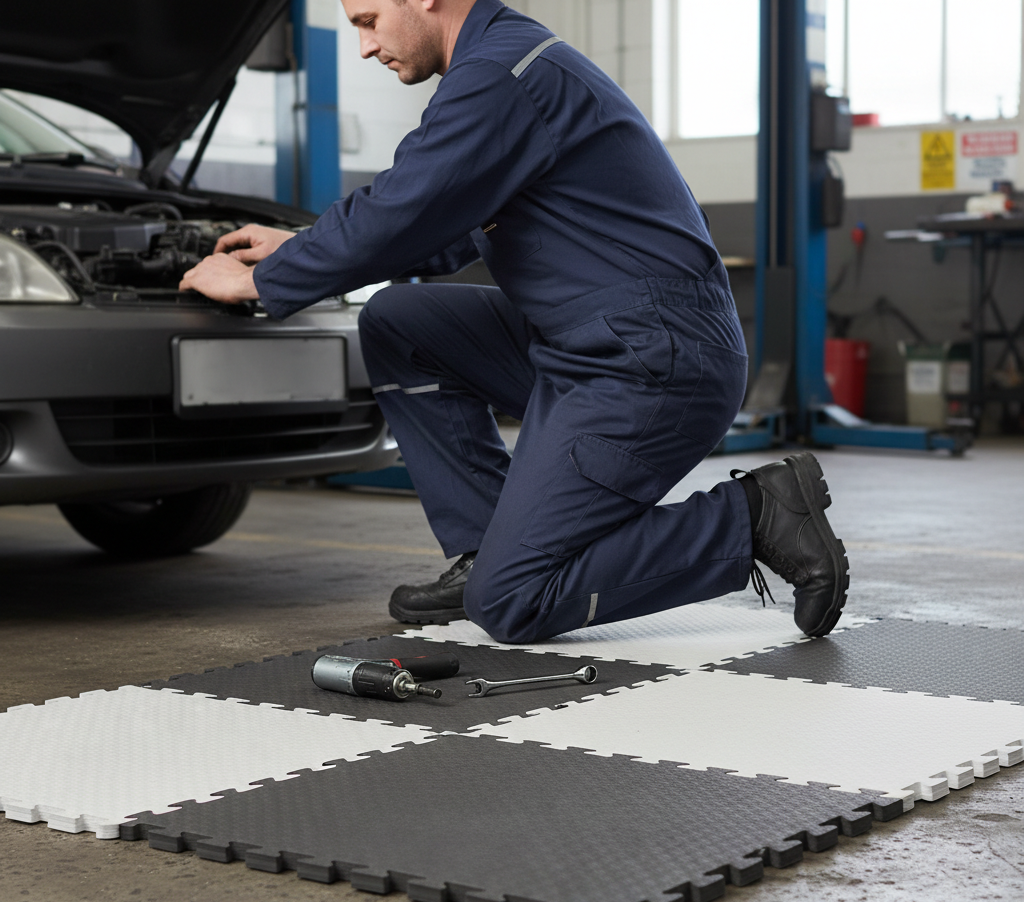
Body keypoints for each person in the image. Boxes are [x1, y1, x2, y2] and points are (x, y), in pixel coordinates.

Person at [181, 0, 849, 645]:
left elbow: (397, 210)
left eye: (368, 21)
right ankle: (484, 547)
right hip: (593, 341)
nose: (365, 46)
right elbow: (436, 226)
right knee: (399, 323)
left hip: (651, 362)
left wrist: (261, 279)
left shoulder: (500, 75)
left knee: (512, 600)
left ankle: (753, 517)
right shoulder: (507, 64)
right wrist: (299, 248)